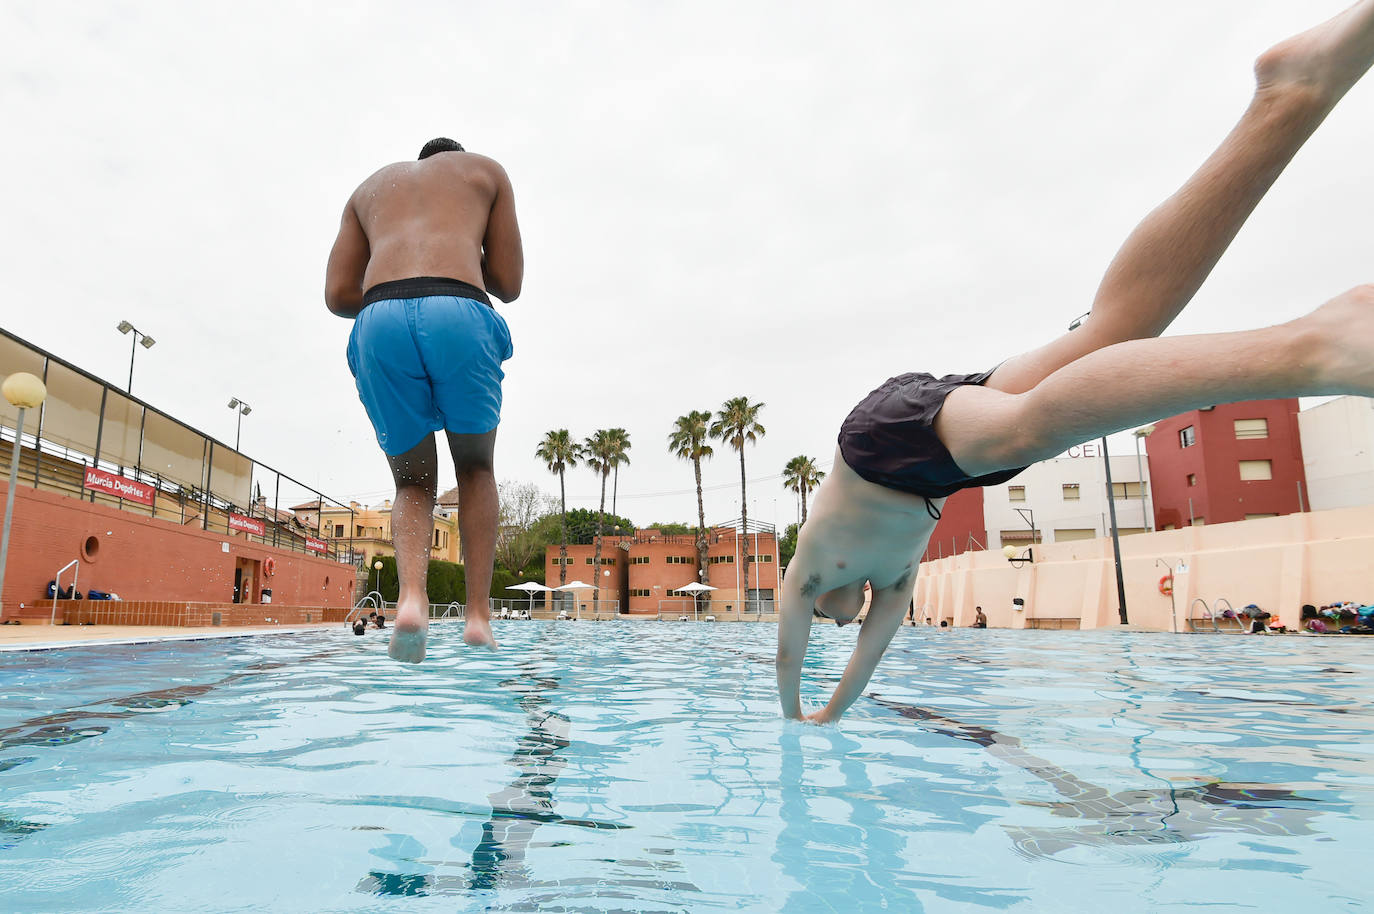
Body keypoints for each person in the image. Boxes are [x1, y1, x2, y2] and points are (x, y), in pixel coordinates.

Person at [778, 2, 1374, 724]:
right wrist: (830, 715)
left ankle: (1314, 348)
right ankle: (1290, 94)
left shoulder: (808, 571)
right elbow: (866, 658)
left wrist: (790, 715)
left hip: (882, 443)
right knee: (1115, 330)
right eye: (844, 621)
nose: (841, 625)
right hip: (948, 457)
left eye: (829, 620)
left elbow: (790, 653)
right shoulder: (898, 581)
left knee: (1032, 428)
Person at [325, 137, 523, 663]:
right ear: (454, 158)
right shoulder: (485, 173)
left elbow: (337, 295)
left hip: (378, 319)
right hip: (458, 309)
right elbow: (509, 283)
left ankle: (412, 598)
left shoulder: (369, 190)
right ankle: (477, 616)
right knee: (476, 468)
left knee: (412, 480)